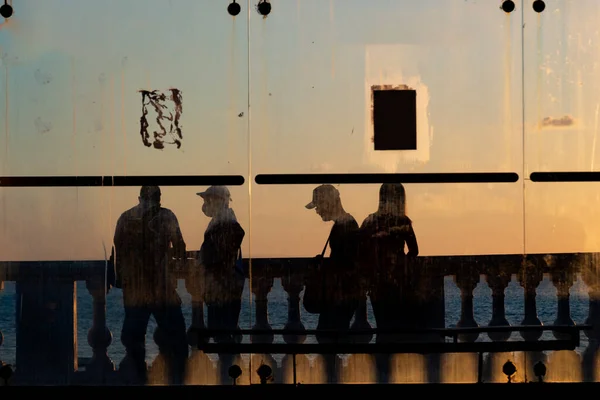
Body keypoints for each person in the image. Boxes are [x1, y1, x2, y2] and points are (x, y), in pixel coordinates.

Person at [113, 185, 188, 384]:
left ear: (139, 198)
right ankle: (177, 378)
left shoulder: (125, 218)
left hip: (136, 289)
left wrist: (124, 279)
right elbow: (180, 247)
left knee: (134, 339)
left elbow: (117, 254)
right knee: (177, 336)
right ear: (159, 198)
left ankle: (140, 379)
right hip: (161, 287)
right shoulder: (166, 216)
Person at [358, 183, 420, 343]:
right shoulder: (403, 221)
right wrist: (400, 263)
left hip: (377, 281)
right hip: (398, 280)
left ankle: (382, 362)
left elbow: (360, 249)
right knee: (398, 326)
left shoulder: (370, 220)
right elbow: (414, 250)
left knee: (382, 324)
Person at [305, 184, 360, 343]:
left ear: (328, 203)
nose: (317, 210)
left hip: (339, 298)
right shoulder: (345, 223)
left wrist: (324, 267)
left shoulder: (345, 225)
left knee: (327, 340)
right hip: (340, 297)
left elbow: (346, 264)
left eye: (318, 205)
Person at [196, 186, 245, 343]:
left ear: (218, 200)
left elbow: (222, 253)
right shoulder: (221, 220)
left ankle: (227, 365)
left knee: (222, 333)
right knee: (221, 332)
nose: (205, 204)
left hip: (222, 285)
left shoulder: (226, 222)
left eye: (207, 199)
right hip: (222, 284)